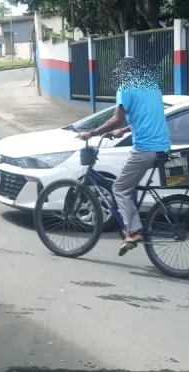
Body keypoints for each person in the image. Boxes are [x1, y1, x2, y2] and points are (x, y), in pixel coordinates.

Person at [78, 57, 171, 255]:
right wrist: (126, 130)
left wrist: (92, 133)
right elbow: (149, 117)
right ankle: (131, 221)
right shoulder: (152, 86)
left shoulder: (126, 87)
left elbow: (115, 119)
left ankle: (133, 231)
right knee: (130, 185)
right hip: (162, 147)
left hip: (145, 148)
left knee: (119, 188)